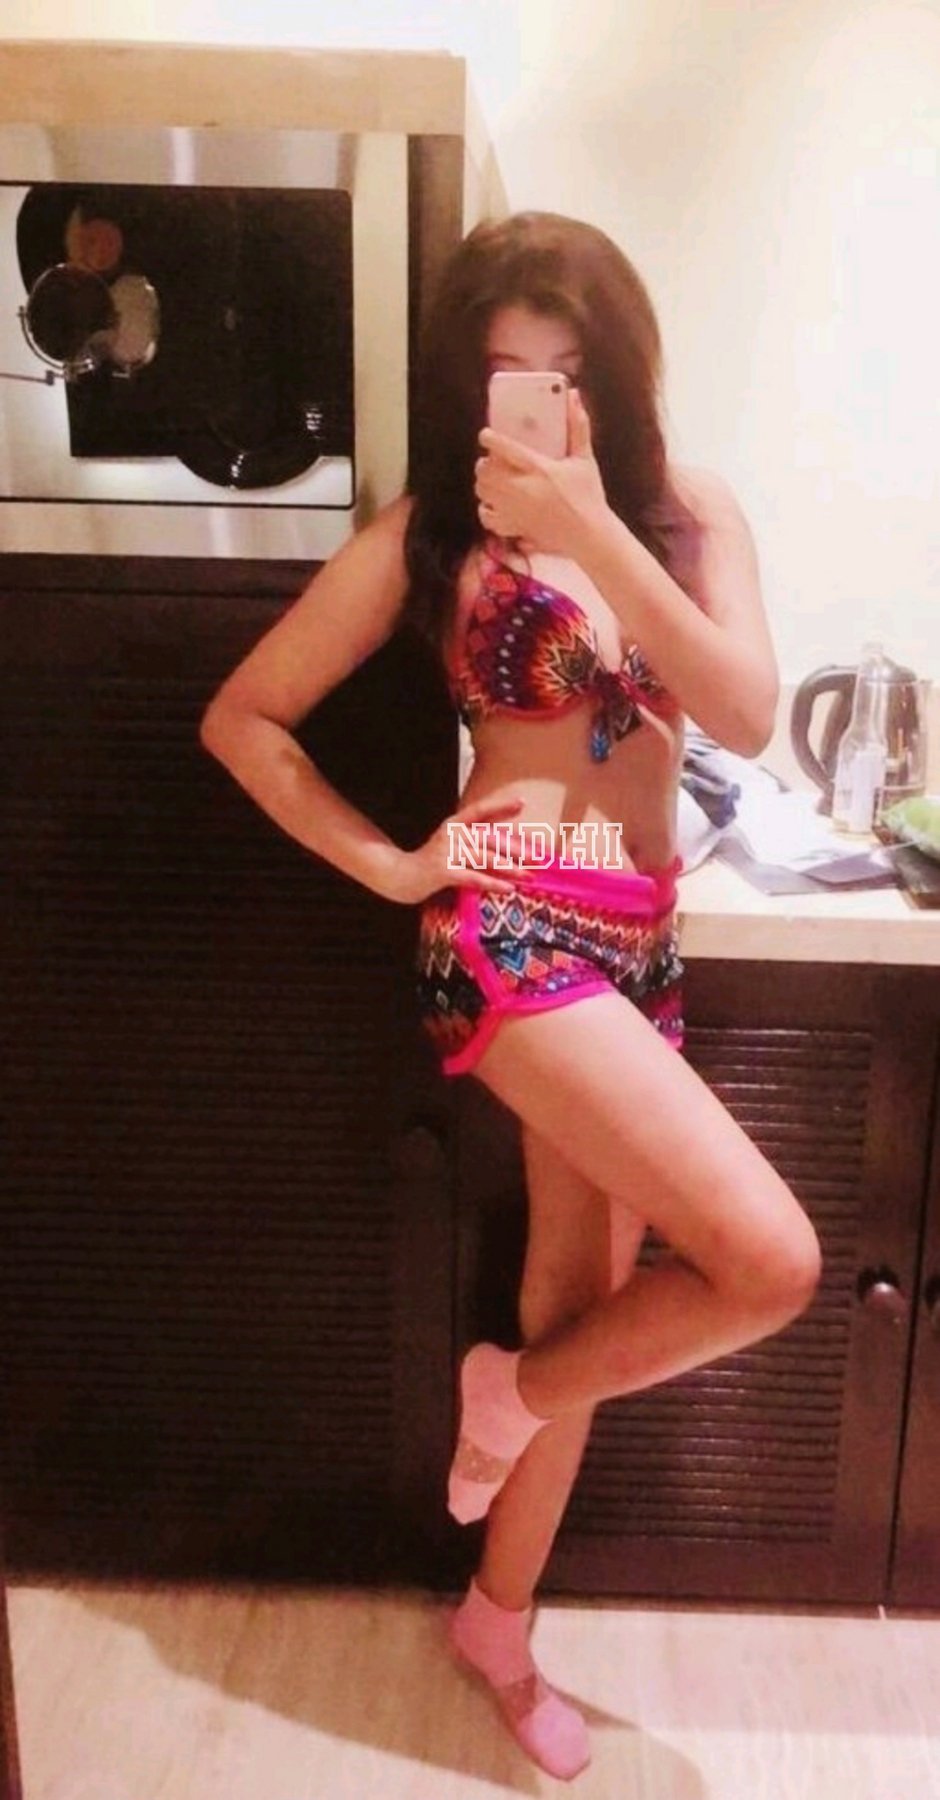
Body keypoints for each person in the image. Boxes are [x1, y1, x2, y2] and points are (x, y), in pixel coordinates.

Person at [200, 211, 822, 1783]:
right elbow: (246, 719)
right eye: (509, 375)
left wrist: (596, 528)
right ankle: (506, 1394)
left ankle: (497, 1618)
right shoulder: (433, 536)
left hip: (643, 939)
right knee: (769, 1261)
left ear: (618, 377)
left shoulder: (688, 517)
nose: (542, 400)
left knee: (586, 1309)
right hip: (514, 929)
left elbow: (747, 709)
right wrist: (397, 865)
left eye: (571, 370)